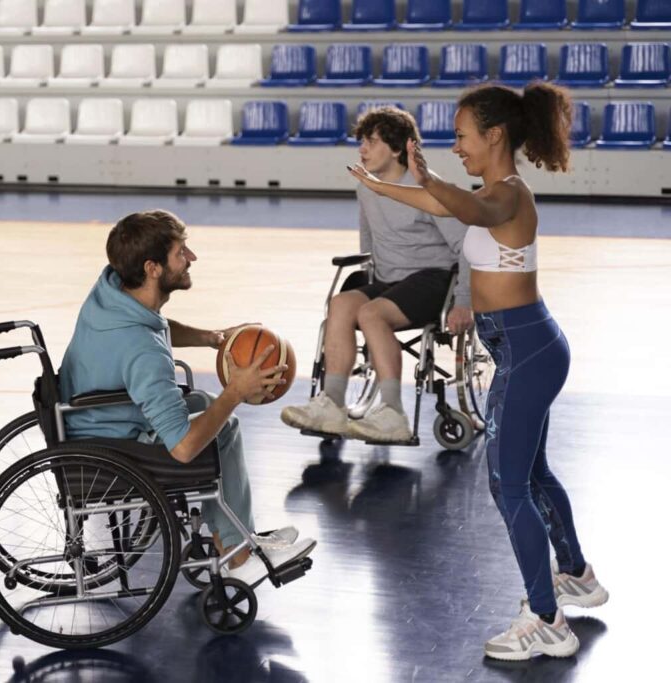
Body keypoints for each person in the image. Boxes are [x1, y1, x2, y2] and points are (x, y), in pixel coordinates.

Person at [348, 83, 608, 661]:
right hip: (527, 346)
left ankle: (547, 620)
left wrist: (424, 175)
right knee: (533, 473)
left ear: (493, 135)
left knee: (506, 484)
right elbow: (444, 205)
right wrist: (382, 184)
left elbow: (465, 207)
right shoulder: (491, 190)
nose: (456, 146)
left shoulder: (507, 195)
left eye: (462, 135)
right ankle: (576, 575)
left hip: (526, 350)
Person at [59, 209, 316, 587]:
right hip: (115, 447)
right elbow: (182, 448)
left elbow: (154, 324)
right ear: (153, 268)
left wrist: (211, 337)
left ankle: (232, 536)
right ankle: (239, 556)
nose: (191, 258)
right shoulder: (143, 352)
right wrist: (237, 392)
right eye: (182, 252)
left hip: (95, 420)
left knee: (204, 405)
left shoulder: (113, 289)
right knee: (220, 423)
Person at [281, 106, 473, 443]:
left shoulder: (430, 189)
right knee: (341, 303)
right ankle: (332, 404)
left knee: (371, 314)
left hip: (433, 279)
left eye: (371, 141)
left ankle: (392, 413)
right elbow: (369, 240)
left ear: (398, 149)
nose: (362, 149)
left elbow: (468, 246)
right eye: (362, 142)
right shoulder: (366, 187)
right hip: (388, 280)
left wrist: (464, 301)